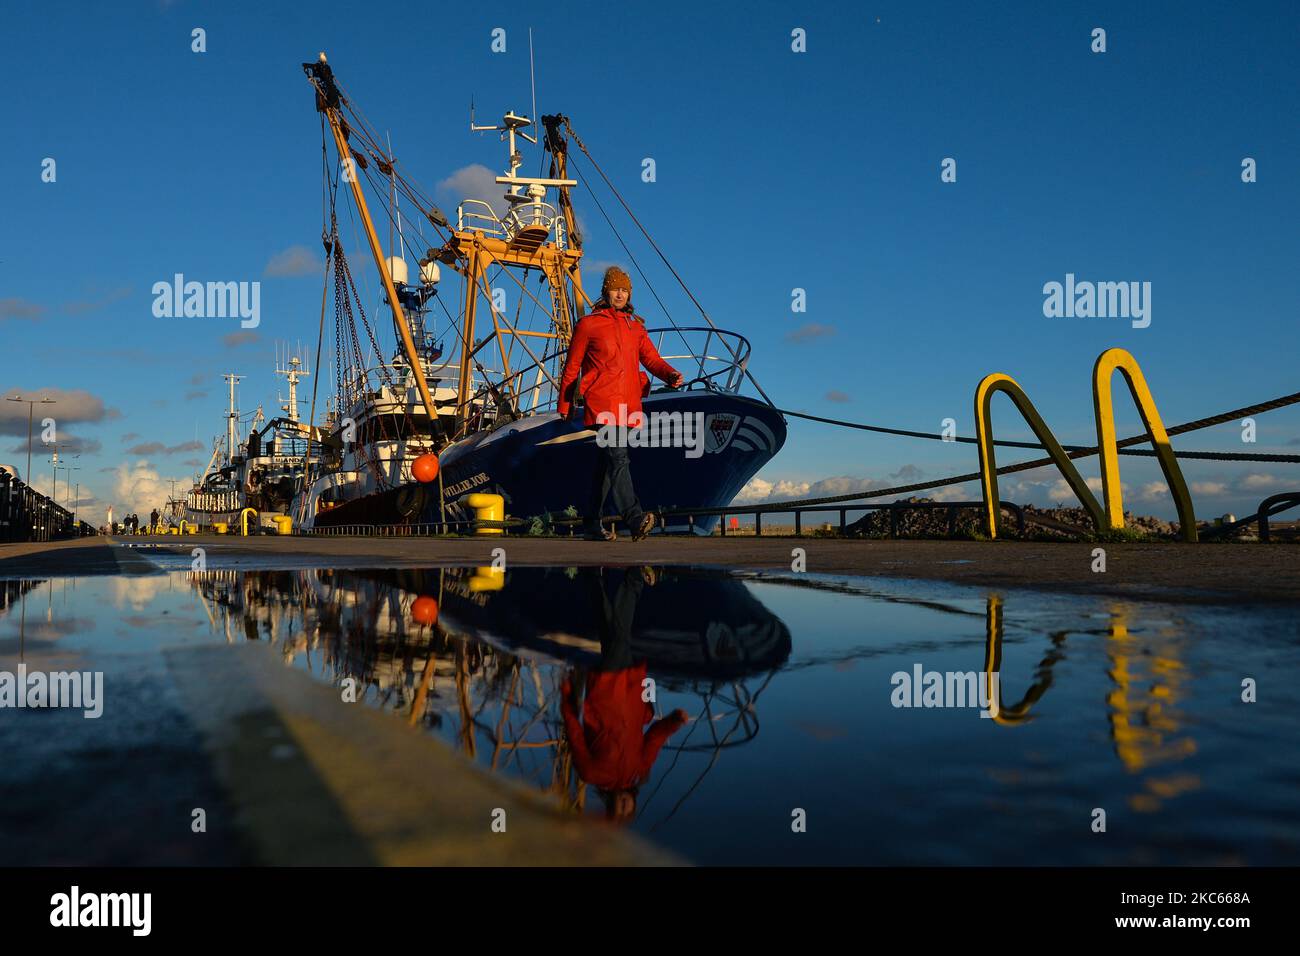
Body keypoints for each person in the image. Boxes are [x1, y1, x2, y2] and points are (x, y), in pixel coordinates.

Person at [557, 266, 683, 541]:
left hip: (628, 404)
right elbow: (572, 366)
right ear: (606, 291)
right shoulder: (588, 324)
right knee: (618, 456)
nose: (620, 294)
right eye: (616, 288)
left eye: (625, 290)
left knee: (607, 464)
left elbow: (651, 359)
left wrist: (669, 374)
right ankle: (635, 518)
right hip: (601, 401)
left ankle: (591, 522)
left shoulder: (635, 327)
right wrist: (565, 405)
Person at [561, 567, 688, 822]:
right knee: (613, 636)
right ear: (633, 804)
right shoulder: (639, 772)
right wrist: (675, 721)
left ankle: (634, 578)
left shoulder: (591, 774)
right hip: (631, 694)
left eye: (619, 809)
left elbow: (574, 733)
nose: (624, 804)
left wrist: (568, 696)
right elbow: (654, 739)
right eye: (628, 809)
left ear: (611, 808)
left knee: (619, 640)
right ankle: (592, 579)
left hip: (605, 693)